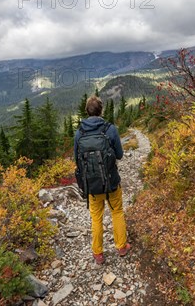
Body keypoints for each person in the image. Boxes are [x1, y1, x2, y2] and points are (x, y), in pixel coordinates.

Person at [74, 96, 131, 265]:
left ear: (87, 111)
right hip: (111, 181)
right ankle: (121, 247)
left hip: (91, 184)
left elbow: (77, 161)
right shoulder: (110, 129)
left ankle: (98, 253)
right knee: (117, 212)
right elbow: (119, 155)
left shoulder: (80, 133)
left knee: (96, 218)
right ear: (101, 110)